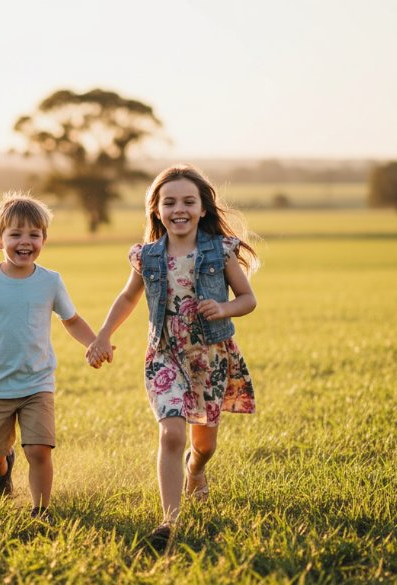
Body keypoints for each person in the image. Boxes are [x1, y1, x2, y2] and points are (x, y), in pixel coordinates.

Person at [85, 164, 259, 551]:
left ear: (202, 208)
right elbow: (129, 297)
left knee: (205, 445)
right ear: (156, 210)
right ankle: (170, 520)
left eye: (187, 201)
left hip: (210, 357)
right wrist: (103, 336)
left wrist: (222, 308)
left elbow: (248, 299)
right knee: (172, 432)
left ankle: (196, 471)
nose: (178, 209)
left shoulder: (220, 250)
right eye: (169, 202)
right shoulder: (146, 257)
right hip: (165, 354)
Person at [0, 192, 97, 520]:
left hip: (37, 382)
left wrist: (94, 343)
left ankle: (40, 510)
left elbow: (71, 320)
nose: (25, 241)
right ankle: (2, 470)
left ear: (44, 238)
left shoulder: (50, 281)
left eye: (34, 234)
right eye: (15, 234)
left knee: (39, 450)